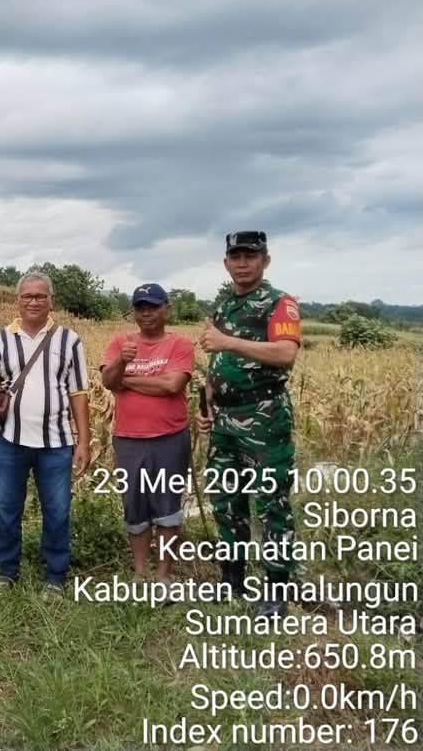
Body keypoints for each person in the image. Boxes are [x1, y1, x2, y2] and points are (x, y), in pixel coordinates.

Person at [198, 231, 301, 619]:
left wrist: (228, 342)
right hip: (224, 419)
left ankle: (276, 590)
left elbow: (285, 353)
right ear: (226, 262)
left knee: (272, 504)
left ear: (265, 261)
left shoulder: (279, 303)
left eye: (250, 256)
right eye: (236, 257)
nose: (242, 263)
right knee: (227, 502)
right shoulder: (225, 305)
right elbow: (217, 363)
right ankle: (232, 580)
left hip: (264, 417)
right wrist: (207, 402)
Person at [0, 272, 91, 596]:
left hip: (56, 442)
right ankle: (7, 570)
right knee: (8, 509)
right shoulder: (1, 337)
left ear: (51, 301)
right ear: (18, 301)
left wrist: (83, 440)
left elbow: (79, 392)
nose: (34, 301)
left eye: (40, 296)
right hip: (9, 440)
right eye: (27, 296)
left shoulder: (69, 340)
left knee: (58, 510)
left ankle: (55, 574)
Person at [100, 283, 194, 584]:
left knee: (167, 507)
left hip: (170, 438)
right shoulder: (120, 343)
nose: (146, 313)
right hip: (128, 439)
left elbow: (171, 385)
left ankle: (163, 576)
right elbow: (108, 381)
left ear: (167, 309)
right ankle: (140, 574)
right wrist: (122, 363)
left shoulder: (180, 345)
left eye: (153, 307)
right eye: (140, 308)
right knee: (135, 506)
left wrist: (127, 380)